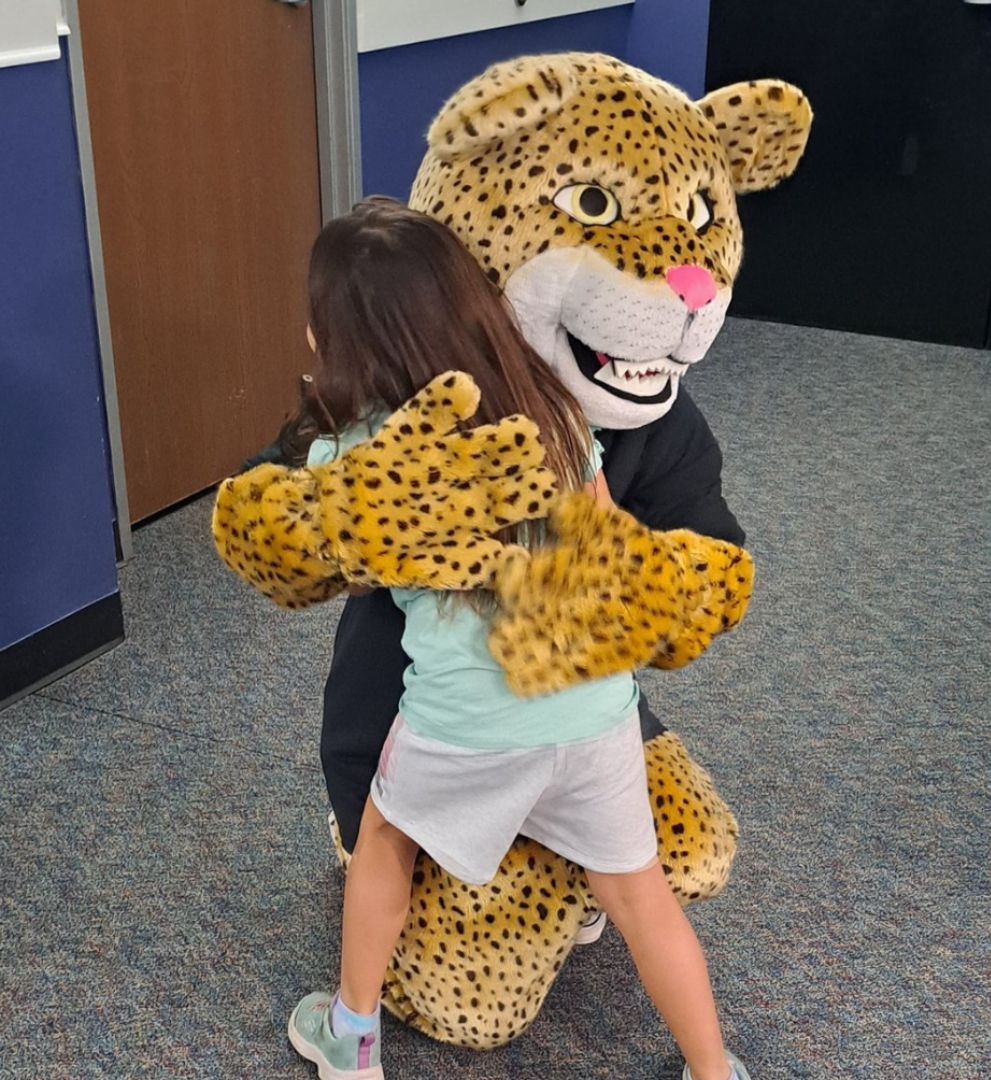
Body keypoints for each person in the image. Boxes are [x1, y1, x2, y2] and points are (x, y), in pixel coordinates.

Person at [284, 199, 749, 1080]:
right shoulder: (559, 415)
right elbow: (608, 549)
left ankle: (350, 1036)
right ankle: (712, 1071)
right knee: (642, 898)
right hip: (597, 711)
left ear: (339, 340)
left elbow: (333, 560)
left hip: (463, 722)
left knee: (384, 841)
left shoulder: (357, 456)